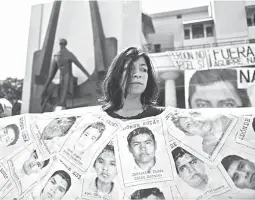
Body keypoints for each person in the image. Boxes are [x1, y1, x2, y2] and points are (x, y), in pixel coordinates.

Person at [101, 47, 165, 120]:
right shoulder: (100, 118)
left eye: (143, 70)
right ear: (117, 75)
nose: (138, 74)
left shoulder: (161, 116)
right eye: (130, 68)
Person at [41, 38, 92, 110]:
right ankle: (61, 103)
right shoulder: (59, 56)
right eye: (61, 44)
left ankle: (62, 102)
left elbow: (79, 66)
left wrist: (90, 77)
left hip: (67, 77)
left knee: (65, 87)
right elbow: (51, 74)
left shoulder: (63, 55)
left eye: (62, 44)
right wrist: (44, 89)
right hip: (63, 77)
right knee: (62, 88)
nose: (61, 45)